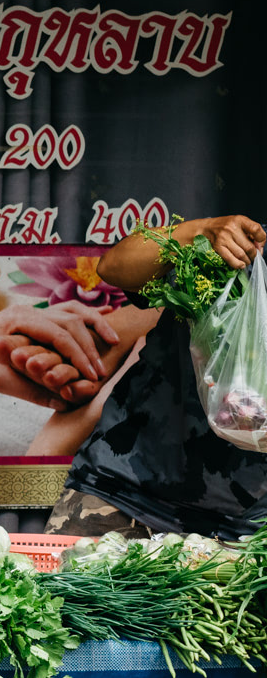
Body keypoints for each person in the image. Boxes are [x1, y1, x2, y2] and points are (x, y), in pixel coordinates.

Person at [39, 213, 267, 538]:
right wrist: (197, 233)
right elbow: (113, 267)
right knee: (68, 586)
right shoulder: (242, 247)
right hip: (123, 493)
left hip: (246, 530)